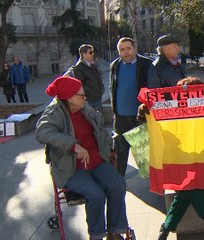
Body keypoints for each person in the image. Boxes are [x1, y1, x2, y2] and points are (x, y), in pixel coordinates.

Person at [35, 76, 131, 240]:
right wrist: (73, 145)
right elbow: (42, 132)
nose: (85, 98)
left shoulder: (84, 108)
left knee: (118, 185)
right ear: (70, 97)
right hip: (72, 168)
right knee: (96, 194)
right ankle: (97, 235)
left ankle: (115, 231)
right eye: (81, 95)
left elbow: (100, 130)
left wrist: (109, 148)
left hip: (97, 160)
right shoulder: (54, 113)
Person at [138, 77, 204, 240]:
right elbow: (154, 133)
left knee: (187, 189)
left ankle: (166, 229)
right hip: (181, 168)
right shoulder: (173, 118)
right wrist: (145, 112)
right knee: (189, 186)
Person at [109, 37, 152, 177]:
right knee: (120, 154)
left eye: (128, 48)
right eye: (122, 49)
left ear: (134, 48)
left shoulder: (146, 64)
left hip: (139, 118)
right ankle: (118, 182)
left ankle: (152, 185)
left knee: (143, 155)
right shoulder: (115, 66)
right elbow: (113, 89)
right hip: (120, 118)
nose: (126, 52)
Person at [73, 44, 105, 112]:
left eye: (93, 52)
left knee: (99, 119)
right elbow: (81, 85)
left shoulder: (93, 65)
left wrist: (101, 89)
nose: (92, 54)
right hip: (89, 100)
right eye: (90, 52)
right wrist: (91, 93)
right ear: (83, 54)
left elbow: (98, 79)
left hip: (97, 98)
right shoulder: (79, 68)